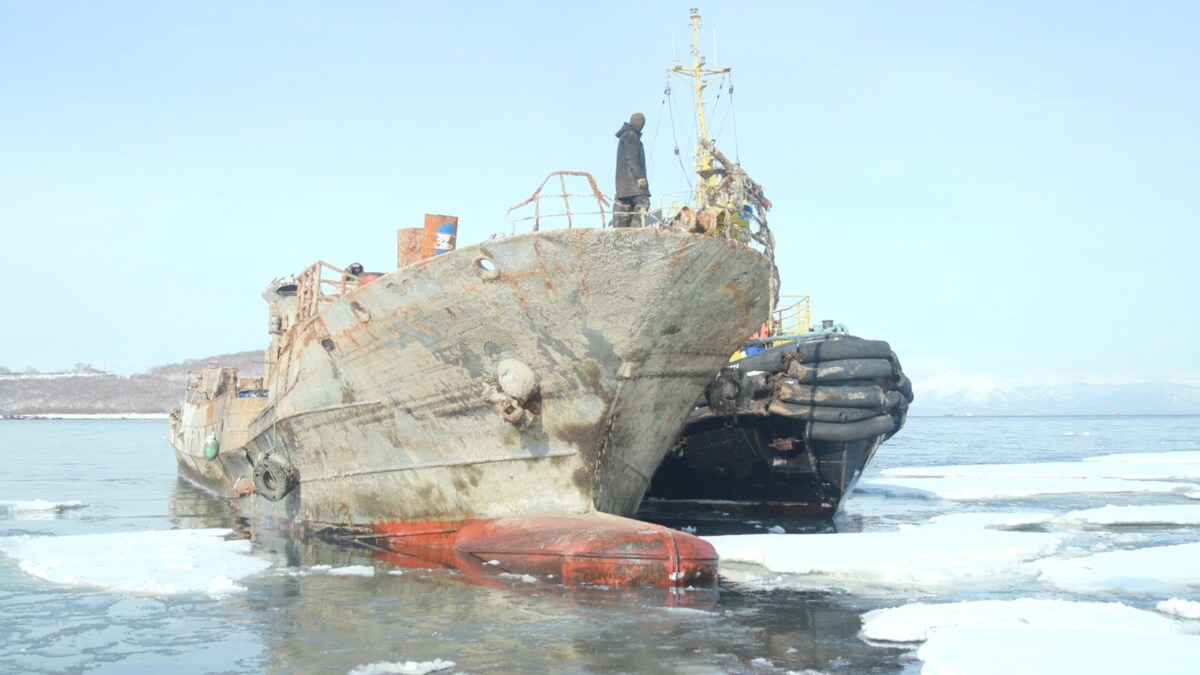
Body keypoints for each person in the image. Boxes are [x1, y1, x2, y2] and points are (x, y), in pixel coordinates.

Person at [614, 113, 650, 228]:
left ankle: (622, 232)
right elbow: (632, 158)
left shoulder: (626, 135)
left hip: (623, 185)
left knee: (625, 208)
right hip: (632, 183)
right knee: (643, 201)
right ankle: (635, 232)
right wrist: (640, 177)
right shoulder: (631, 135)